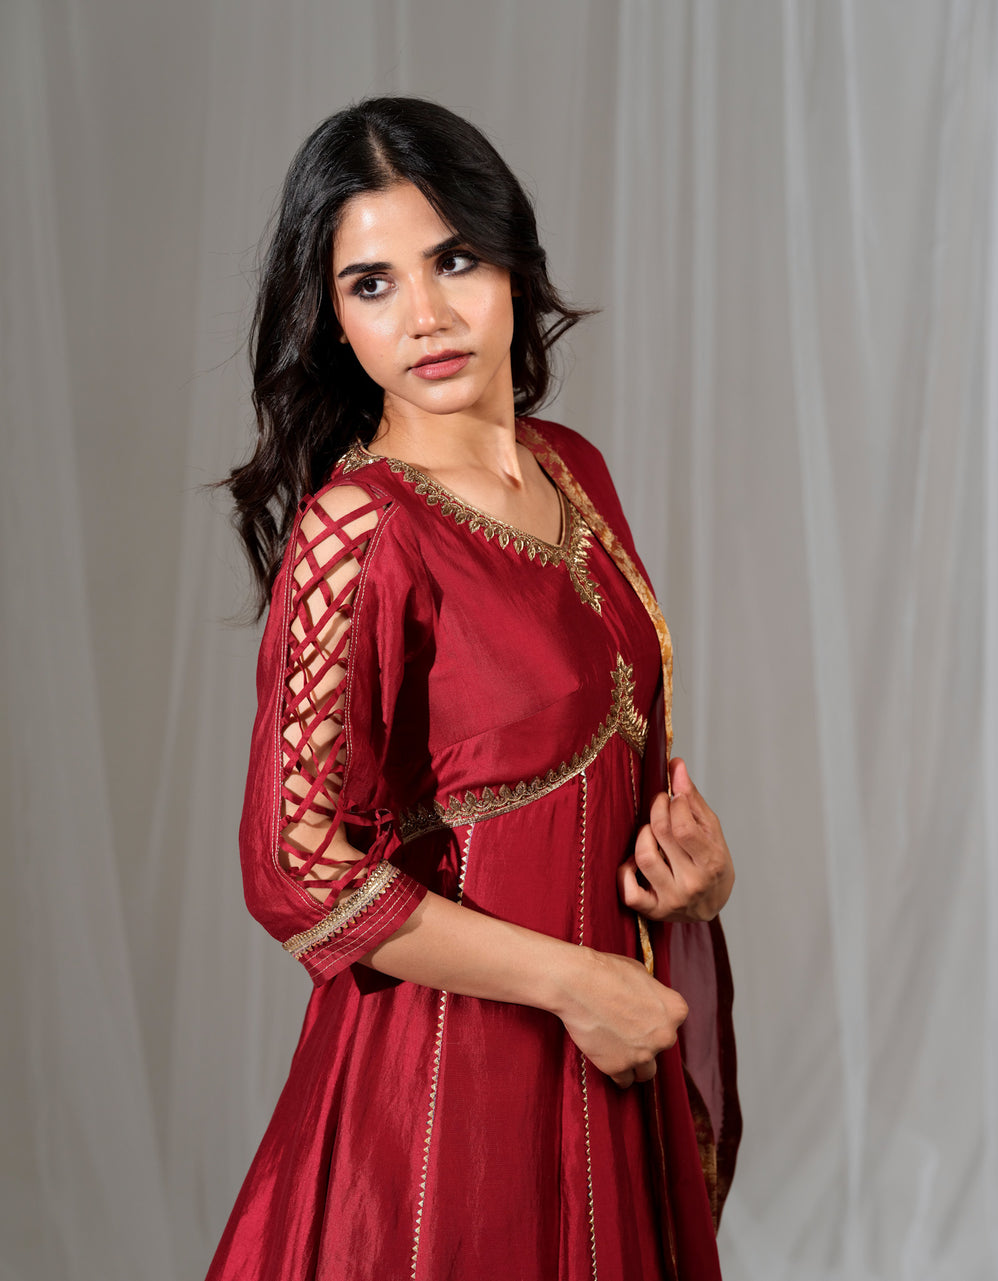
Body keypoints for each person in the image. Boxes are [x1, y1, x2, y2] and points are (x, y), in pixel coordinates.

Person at [206, 96, 740, 1281]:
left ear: (512, 257)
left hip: (613, 1050)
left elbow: (615, 754)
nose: (428, 316)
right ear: (331, 318)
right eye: (373, 284)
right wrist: (573, 983)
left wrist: (695, 874)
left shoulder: (574, 468)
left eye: (452, 259)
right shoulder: (360, 531)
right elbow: (297, 868)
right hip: (449, 1090)